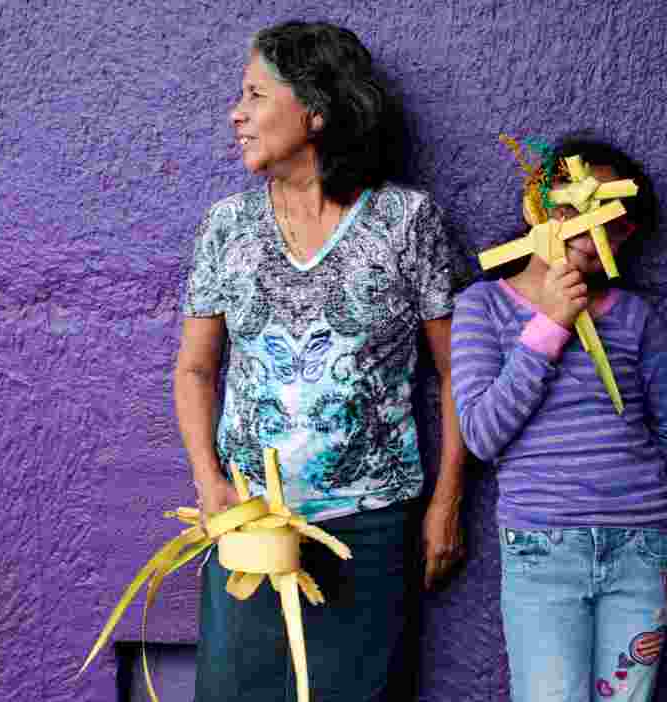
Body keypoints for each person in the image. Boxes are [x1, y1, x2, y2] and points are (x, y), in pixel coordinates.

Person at [174, 21, 469, 702]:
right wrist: (209, 484)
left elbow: (457, 373)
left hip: (366, 529)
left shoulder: (406, 221)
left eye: (255, 94)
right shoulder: (226, 228)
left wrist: (446, 506)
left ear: (316, 109)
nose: (236, 113)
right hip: (249, 528)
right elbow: (195, 370)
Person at [450, 137, 667, 702]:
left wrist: (625, 482)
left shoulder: (635, 317)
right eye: (569, 210)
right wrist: (550, 327)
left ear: (624, 235)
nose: (583, 232)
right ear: (538, 208)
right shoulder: (482, 307)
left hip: (641, 546)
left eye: (604, 220)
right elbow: (482, 435)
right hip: (543, 547)